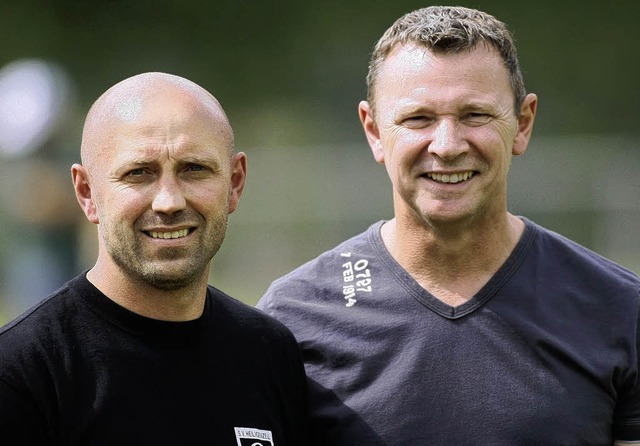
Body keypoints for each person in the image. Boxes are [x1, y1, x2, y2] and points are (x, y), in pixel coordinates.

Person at [257, 6, 640, 445]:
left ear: (523, 124)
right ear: (374, 131)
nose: (447, 145)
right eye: (418, 119)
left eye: (475, 115)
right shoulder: (294, 318)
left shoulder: (618, 309)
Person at [0, 72, 309, 445]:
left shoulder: (271, 354)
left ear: (235, 182)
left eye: (194, 169)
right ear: (86, 192)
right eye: (139, 173)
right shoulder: (21, 371)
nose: (169, 201)